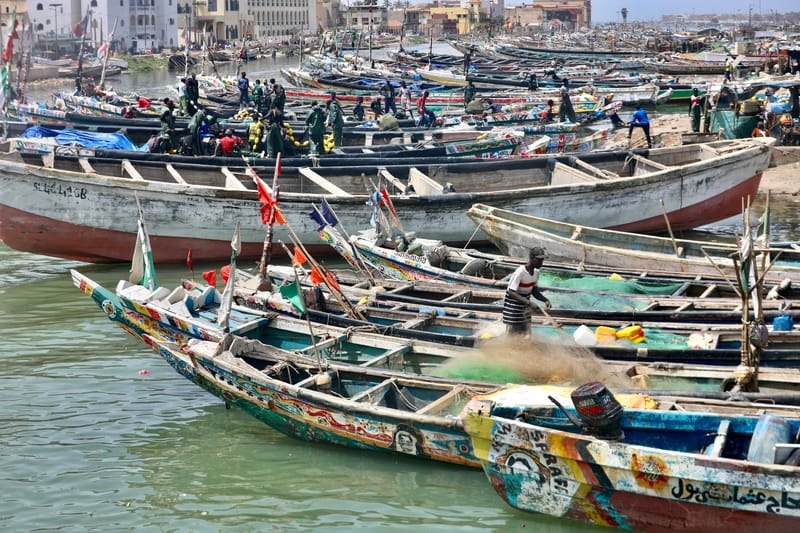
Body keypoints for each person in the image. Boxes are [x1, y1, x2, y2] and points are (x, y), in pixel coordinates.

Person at [502, 247, 551, 336]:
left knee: (526, 335)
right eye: (539, 260)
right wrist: (529, 303)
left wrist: (545, 300)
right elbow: (511, 292)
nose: (541, 263)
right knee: (512, 337)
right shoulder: (520, 272)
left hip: (525, 310)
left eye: (542, 260)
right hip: (514, 311)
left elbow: (534, 291)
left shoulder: (536, 272)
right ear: (531, 258)